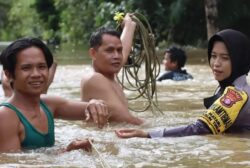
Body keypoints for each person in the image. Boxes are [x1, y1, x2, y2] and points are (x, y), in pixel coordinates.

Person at [115, 29, 250, 138]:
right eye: (214, 56)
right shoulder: (226, 87)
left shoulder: (237, 95)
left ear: (239, 60)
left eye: (225, 58)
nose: (216, 63)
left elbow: (200, 129)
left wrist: (148, 134)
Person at [0, 37, 109, 152]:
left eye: (41, 67)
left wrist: (95, 103)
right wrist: (67, 151)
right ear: (9, 74)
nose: (36, 74)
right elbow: (15, 167)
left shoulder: (48, 104)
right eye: (26, 68)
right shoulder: (5, 117)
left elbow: (97, 110)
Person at [81, 13, 144, 125]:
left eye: (118, 50)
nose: (117, 56)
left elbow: (123, 53)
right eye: (109, 51)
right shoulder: (95, 78)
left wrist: (129, 25)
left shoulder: (107, 74)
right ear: (93, 53)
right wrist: (165, 131)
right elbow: (127, 120)